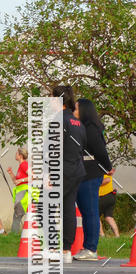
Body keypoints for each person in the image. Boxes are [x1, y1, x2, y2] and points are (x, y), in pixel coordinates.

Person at [51, 84, 86, 264]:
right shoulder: (77, 122)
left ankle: (52, 249)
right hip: (76, 170)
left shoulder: (58, 120)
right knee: (68, 209)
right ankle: (66, 250)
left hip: (61, 170)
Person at [74, 98, 112, 259]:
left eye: (76, 108)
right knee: (85, 210)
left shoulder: (91, 129)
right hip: (83, 174)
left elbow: (101, 151)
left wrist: (108, 168)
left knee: (90, 211)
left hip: (91, 174)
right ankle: (87, 247)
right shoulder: (83, 127)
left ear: (84, 110)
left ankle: (91, 248)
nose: (73, 111)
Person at [7, 146, 29, 233]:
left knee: (18, 214)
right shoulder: (21, 166)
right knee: (17, 213)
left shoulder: (24, 165)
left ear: (20, 155)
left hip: (24, 193)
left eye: (16, 153)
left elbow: (34, 176)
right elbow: (16, 181)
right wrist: (11, 173)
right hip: (20, 192)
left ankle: (14, 233)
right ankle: (14, 232)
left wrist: (21, 180)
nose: (15, 155)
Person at [99, 170, 119, 237]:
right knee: (109, 217)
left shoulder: (100, 174)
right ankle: (117, 235)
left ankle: (102, 235)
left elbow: (107, 180)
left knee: (96, 217)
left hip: (102, 196)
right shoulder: (108, 173)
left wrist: (95, 183)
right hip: (111, 196)